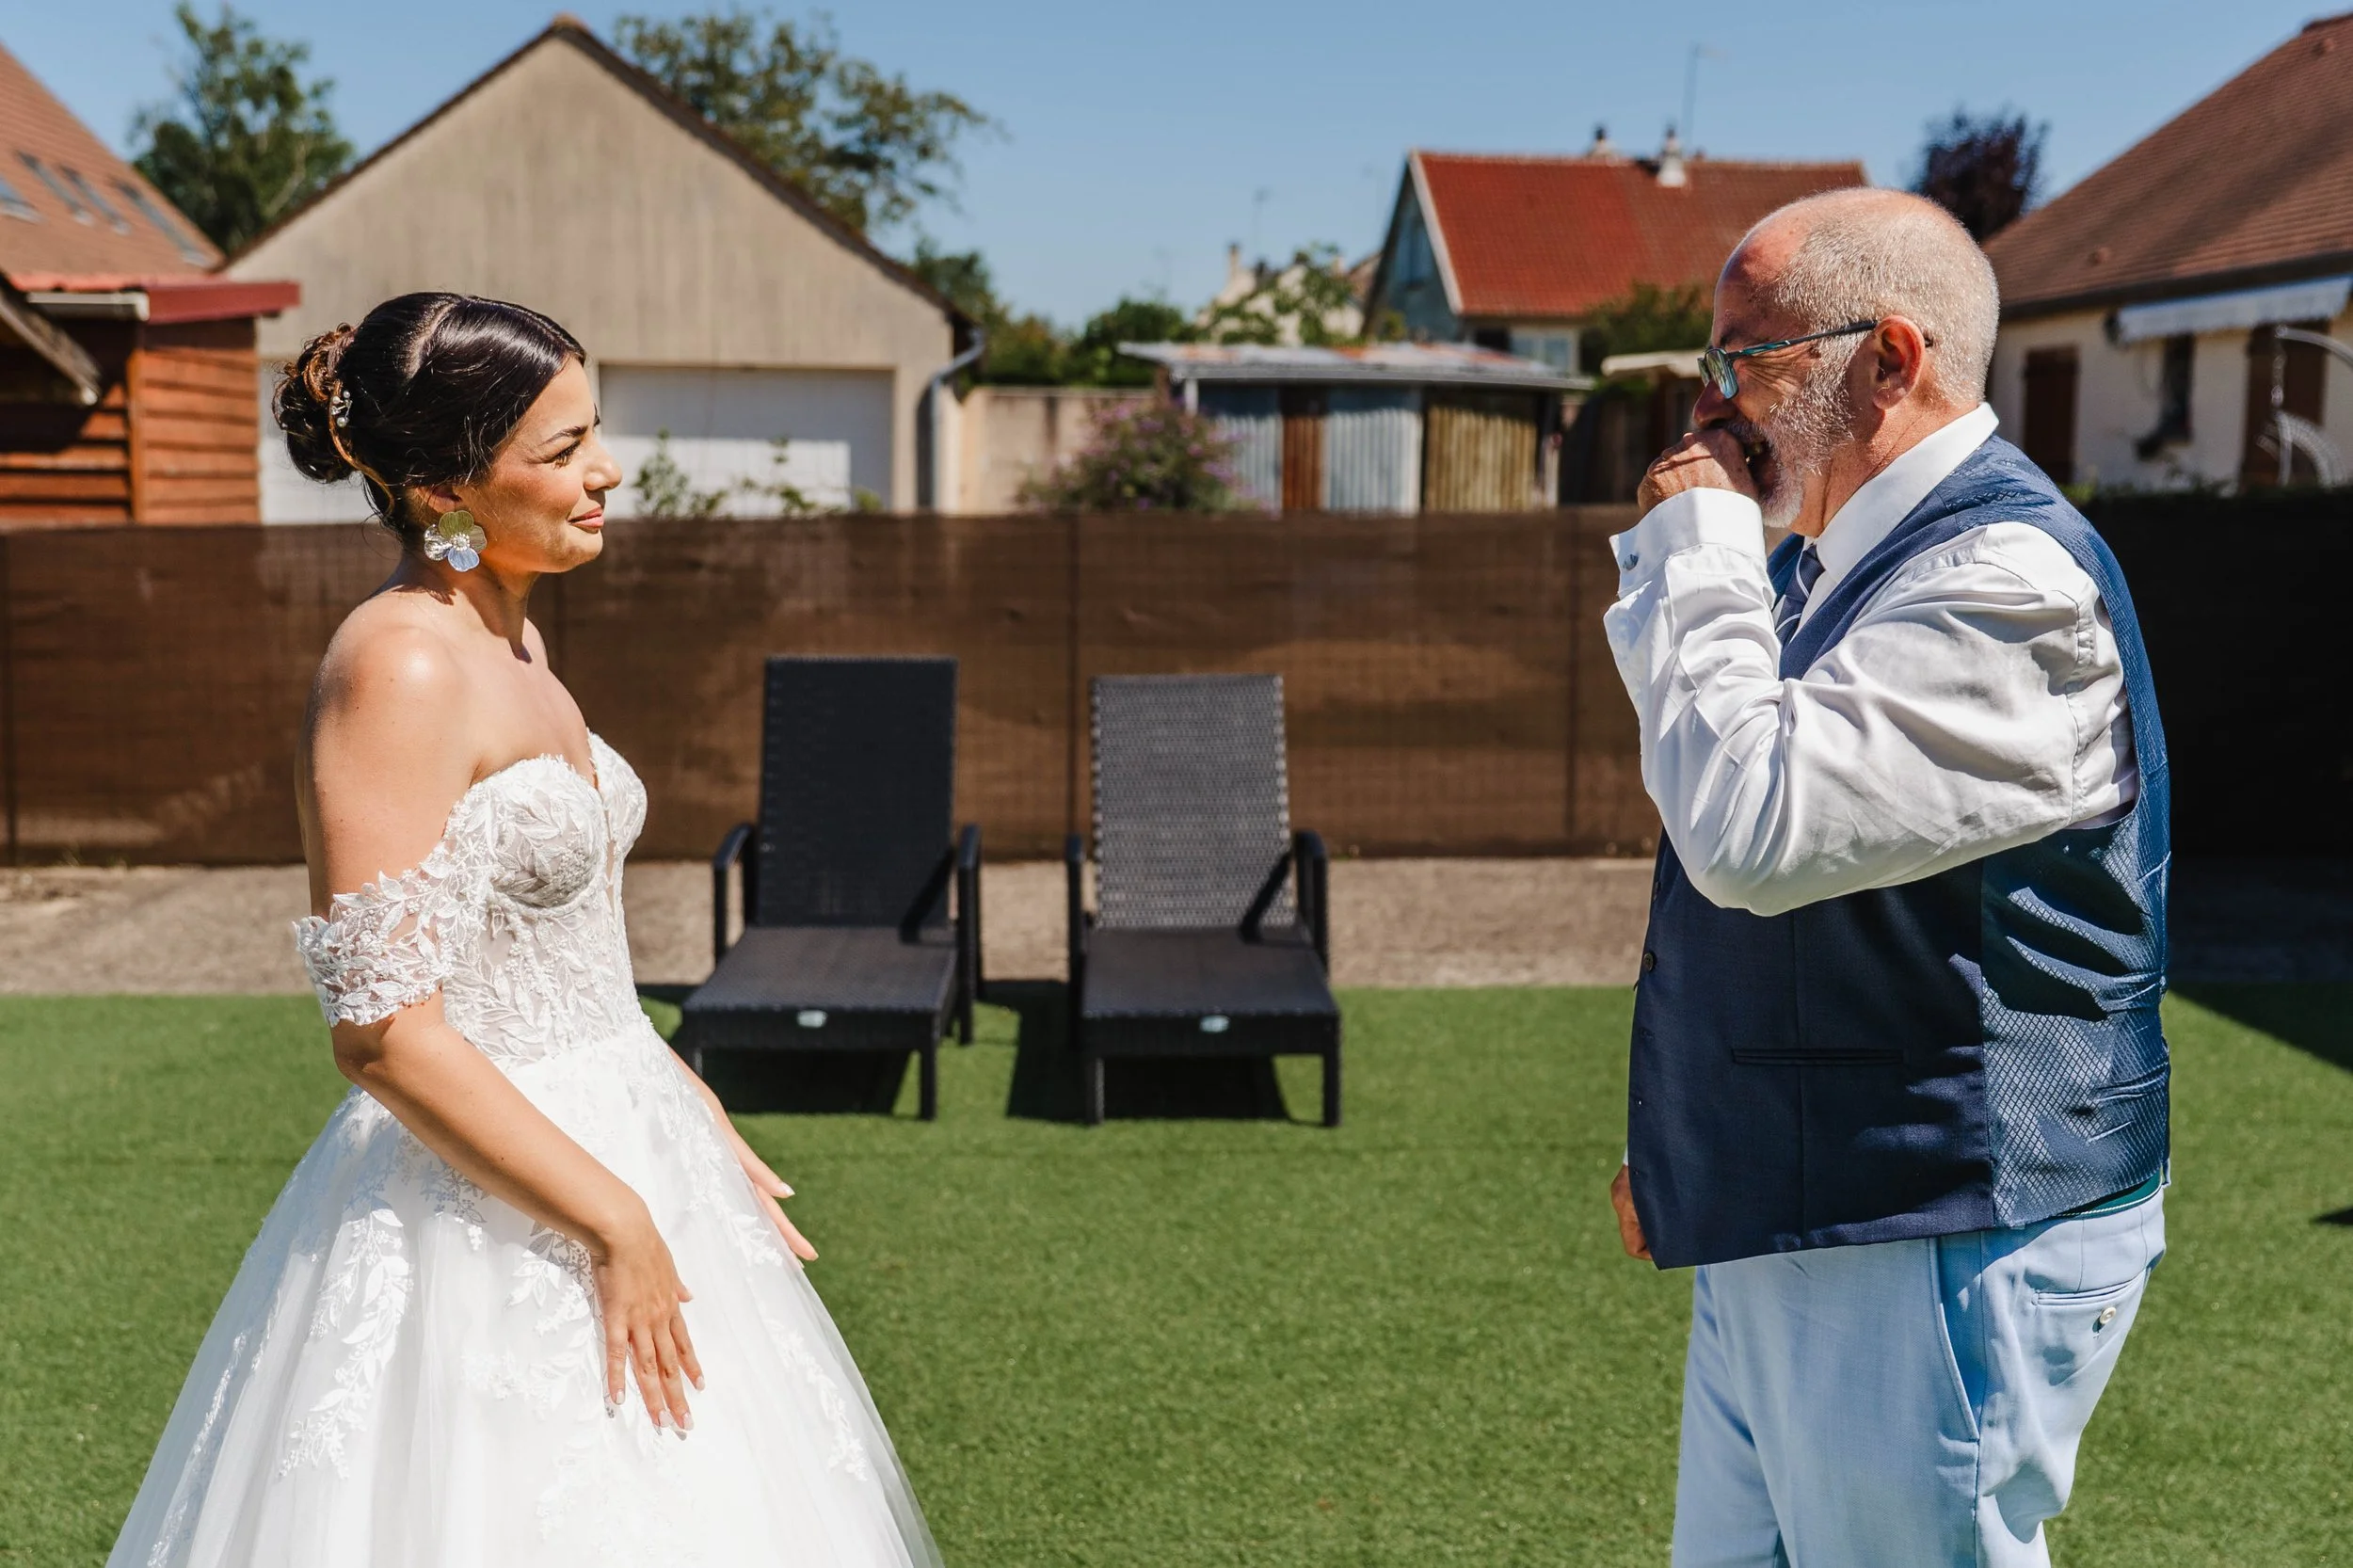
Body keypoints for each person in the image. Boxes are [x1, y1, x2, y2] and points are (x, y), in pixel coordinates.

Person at [107, 294, 941, 1567]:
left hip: (627, 1135)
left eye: (594, 431)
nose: (608, 470)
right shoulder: (398, 665)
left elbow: (557, 953)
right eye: (563, 448)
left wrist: (682, 1101)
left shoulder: (518, 635)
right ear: (444, 485)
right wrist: (614, 1220)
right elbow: (384, 1035)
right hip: (493, 1209)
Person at [1604, 189, 2169, 1567]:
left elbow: (1749, 826)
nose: (1710, 404)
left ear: (1891, 359)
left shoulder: (2008, 581)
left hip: (1945, 1228)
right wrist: (1696, 1139)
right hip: (1811, 1206)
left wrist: (1699, 548)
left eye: (1745, 358)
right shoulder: (1836, 562)